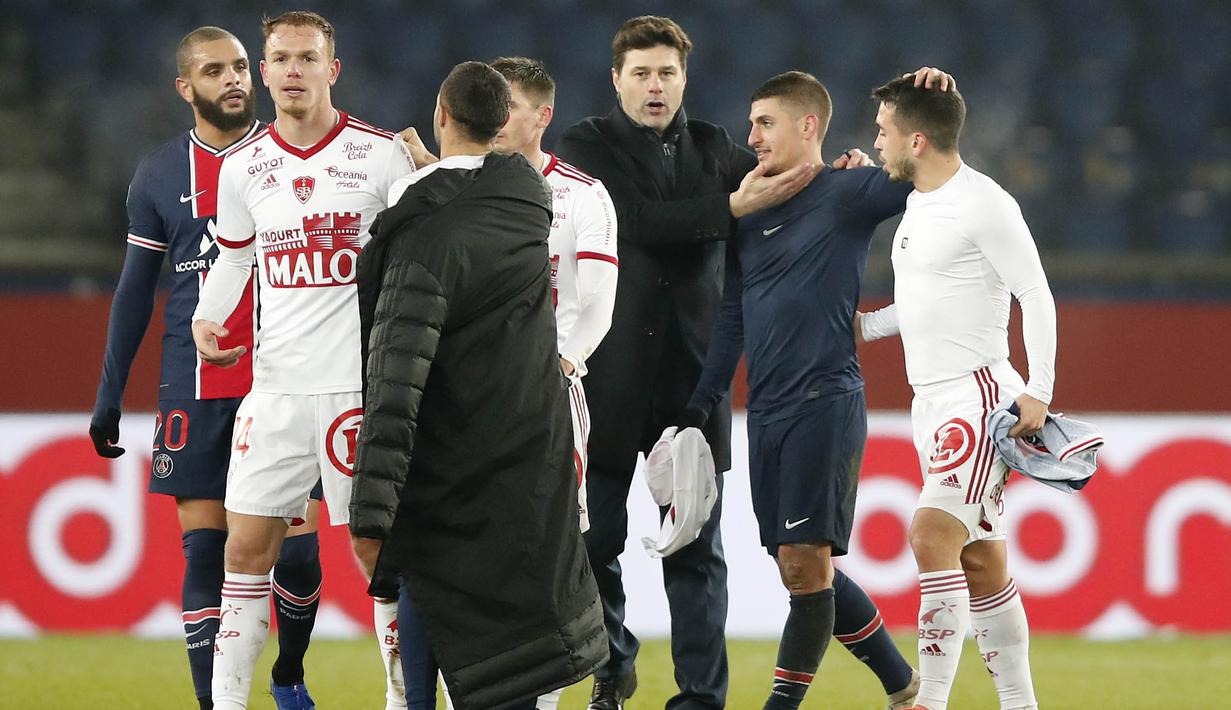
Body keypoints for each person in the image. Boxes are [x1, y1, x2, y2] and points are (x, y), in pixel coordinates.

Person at [555, 17, 819, 709]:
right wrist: (728, 207)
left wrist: (835, 170)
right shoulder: (586, 145)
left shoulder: (712, 147)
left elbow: (787, 183)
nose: (653, 85)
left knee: (695, 556)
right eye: (640, 73)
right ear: (616, 79)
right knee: (590, 542)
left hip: (692, 388)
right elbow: (633, 217)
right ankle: (612, 663)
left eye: (666, 73)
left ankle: (700, 700)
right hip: (605, 380)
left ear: (683, 80)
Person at [681, 70, 955, 710]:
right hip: (768, 412)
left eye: (765, 122)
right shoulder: (747, 209)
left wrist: (936, 98)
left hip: (825, 401)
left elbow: (936, 170)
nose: (751, 136)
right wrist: (702, 400)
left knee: (806, 566)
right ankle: (903, 688)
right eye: (750, 124)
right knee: (800, 570)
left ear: (808, 125)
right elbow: (732, 315)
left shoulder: (851, 192)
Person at [347, 60, 608, 710]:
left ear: (441, 117)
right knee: (532, 581)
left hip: (444, 445)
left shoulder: (414, 231)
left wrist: (370, 507)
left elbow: (395, 373)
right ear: (503, 126)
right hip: (535, 429)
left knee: (425, 575)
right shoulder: (532, 199)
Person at [87, 26, 326, 710]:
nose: (234, 79)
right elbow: (136, 291)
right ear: (185, 88)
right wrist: (109, 394)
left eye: (241, 67)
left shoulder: (292, 155)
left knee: (301, 555)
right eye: (215, 70)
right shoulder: (160, 173)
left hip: (288, 380)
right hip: (195, 384)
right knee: (204, 552)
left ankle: (288, 673)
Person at [189, 11, 415, 710]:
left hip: (360, 392)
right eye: (280, 58)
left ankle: (400, 696)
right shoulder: (243, 166)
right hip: (277, 393)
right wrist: (204, 316)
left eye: (307, 58)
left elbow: (424, 250)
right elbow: (234, 255)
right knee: (243, 551)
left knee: (377, 555)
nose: (292, 70)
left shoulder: (380, 156)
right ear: (264, 71)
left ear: (331, 69)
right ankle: (228, 704)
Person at [858, 75, 1055, 710]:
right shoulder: (917, 205)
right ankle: (1021, 704)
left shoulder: (985, 203)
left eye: (884, 131)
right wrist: (857, 327)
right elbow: (917, 308)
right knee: (981, 564)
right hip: (931, 400)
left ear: (916, 139)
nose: (877, 141)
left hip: (977, 394)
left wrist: (1041, 389)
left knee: (930, 535)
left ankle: (928, 700)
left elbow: (1036, 294)